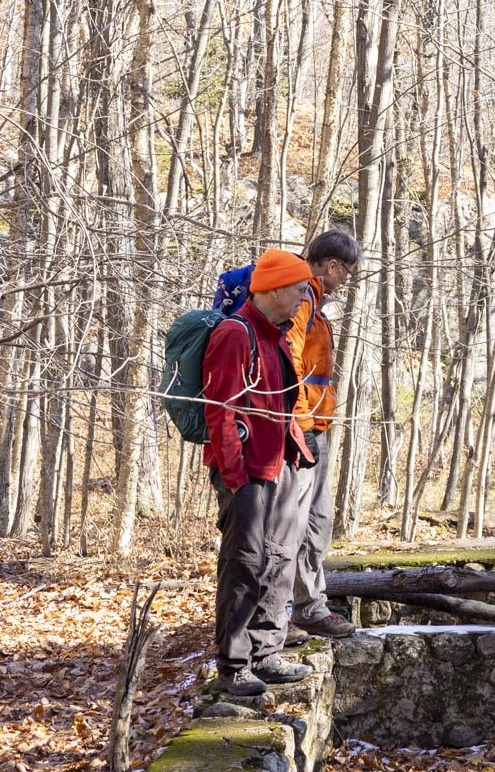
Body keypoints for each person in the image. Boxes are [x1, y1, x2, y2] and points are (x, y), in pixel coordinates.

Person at [204, 248, 318, 697]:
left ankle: (265, 652)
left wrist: (298, 456)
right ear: (271, 289)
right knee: (244, 564)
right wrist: (236, 477)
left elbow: (287, 402)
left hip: (282, 463)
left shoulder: (278, 334)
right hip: (247, 470)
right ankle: (233, 665)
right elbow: (221, 411)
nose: (303, 296)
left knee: (280, 559)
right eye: (297, 288)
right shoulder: (236, 333)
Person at [285, 230, 362, 639]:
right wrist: (298, 423)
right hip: (304, 427)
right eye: (347, 271)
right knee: (298, 523)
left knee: (318, 520)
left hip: (316, 424)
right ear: (332, 266)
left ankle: (310, 607)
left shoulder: (315, 301)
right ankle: (297, 611)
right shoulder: (300, 299)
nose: (347, 280)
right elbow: (289, 358)